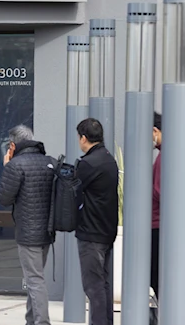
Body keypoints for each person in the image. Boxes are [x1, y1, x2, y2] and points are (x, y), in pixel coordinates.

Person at [0, 125, 54, 325]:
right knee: (35, 278)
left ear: (12, 145)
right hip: (47, 231)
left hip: (28, 232)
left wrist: (6, 168)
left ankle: (41, 322)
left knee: (35, 280)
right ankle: (31, 320)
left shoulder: (15, 165)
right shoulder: (50, 162)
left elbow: (4, 198)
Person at [75, 118, 119, 325]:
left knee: (93, 286)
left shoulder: (88, 163)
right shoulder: (109, 159)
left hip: (91, 231)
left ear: (84, 138)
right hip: (107, 230)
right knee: (104, 284)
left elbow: (72, 188)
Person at [151, 112, 162, 298]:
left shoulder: (163, 157)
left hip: (157, 223)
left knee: (155, 275)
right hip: (158, 222)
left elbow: (159, 192)